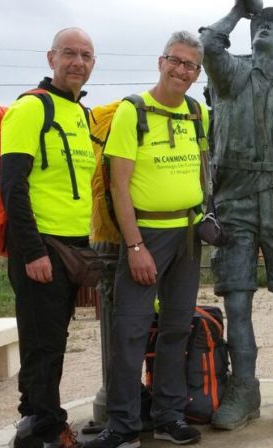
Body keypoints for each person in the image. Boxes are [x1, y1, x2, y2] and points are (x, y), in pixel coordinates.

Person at [199, 1, 273, 430]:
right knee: (237, 300)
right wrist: (238, 10)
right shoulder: (232, 75)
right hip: (235, 202)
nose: (263, 29)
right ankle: (243, 389)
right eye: (261, 25)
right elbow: (209, 43)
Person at [86, 31, 208, 448]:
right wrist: (134, 245)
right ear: (161, 61)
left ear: (197, 73)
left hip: (188, 235)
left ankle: (169, 415)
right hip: (146, 235)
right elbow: (118, 187)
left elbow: (202, 170)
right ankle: (122, 426)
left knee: (176, 327)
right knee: (131, 331)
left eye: (190, 65)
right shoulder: (132, 111)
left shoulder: (198, 112)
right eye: (175, 60)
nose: (181, 69)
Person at [0, 28, 96, 448]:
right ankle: (41, 429)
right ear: (51, 58)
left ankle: (45, 424)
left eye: (86, 56)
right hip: (42, 246)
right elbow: (11, 186)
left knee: (54, 340)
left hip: (77, 245)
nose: (78, 62)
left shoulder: (83, 114)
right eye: (69, 54)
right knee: (42, 344)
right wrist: (32, 251)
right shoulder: (30, 109)